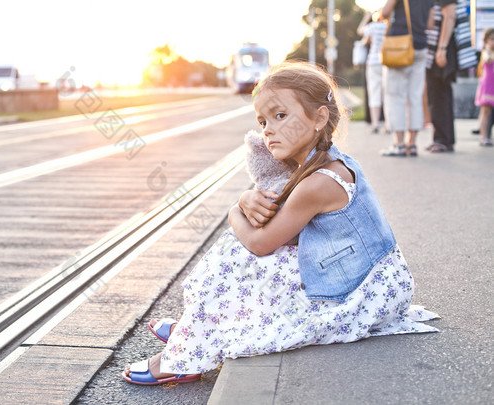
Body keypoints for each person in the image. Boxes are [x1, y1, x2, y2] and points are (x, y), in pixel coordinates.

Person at [122, 62, 438, 386]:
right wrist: (248, 200)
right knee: (248, 261)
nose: (267, 129)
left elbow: (261, 243)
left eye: (280, 116)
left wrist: (235, 210)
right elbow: (271, 215)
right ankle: (201, 329)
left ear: (319, 118)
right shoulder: (318, 160)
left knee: (238, 257)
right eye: (262, 121)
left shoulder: (320, 182)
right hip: (354, 273)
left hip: (364, 289)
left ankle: (188, 350)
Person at [381, 0, 434, 157]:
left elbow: (384, 13)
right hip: (420, 47)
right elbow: (430, 25)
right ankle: (412, 143)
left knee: (396, 95)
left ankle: (399, 144)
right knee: (415, 96)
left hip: (400, 45)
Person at [425, 0, 459, 153]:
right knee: (437, 93)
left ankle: (442, 139)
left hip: (441, 47)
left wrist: (442, 48)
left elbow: (450, 14)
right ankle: (443, 138)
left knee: (439, 94)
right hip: (437, 47)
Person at [358, 10, 388, 134]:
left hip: (373, 62)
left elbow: (360, 30)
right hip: (387, 61)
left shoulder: (373, 27)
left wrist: (366, 17)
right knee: (387, 94)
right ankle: (388, 124)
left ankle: (375, 124)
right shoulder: (388, 26)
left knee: (374, 92)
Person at [475, 27, 494, 147]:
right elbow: (487, 59)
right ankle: (484, 136)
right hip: (488, 85)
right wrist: (488, 49)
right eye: (492, 39)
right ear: (486, 41)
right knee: (485, 111)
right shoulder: (486, 52)